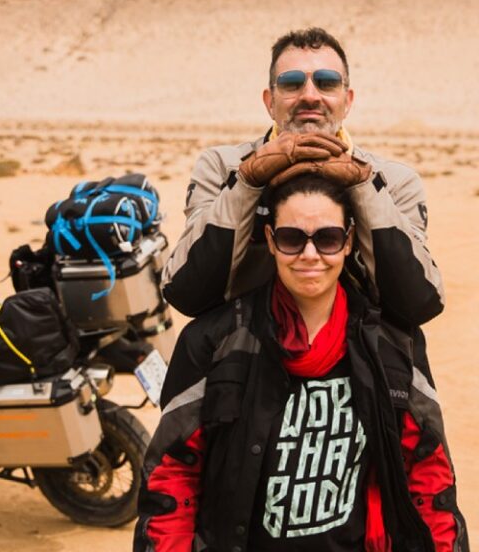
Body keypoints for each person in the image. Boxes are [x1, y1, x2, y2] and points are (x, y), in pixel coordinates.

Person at [134, 175, 467, 552]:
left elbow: (429, 475)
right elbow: (172, 475)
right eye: (292, 238)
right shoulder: (213, 341)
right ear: (271, 241)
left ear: (349, 241)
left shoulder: (392, 345)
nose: (310, 255)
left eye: (327, 238)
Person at [162, 28, 443, 327]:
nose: (310, 96)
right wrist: (247, 181)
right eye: (292, 83)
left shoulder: (394, 181)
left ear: (347, 100)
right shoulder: (223, 167)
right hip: (243, 357)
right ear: (270, 101)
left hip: (363, 359)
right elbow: (186, 293)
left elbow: (418, 302)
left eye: (327, 83)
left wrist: (363, 186)